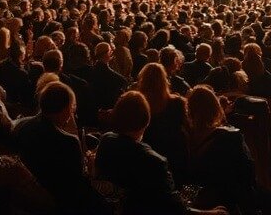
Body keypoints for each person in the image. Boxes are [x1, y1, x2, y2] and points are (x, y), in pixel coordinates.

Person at [95, 91, 226, 215]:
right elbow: (175, 209)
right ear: (146, 121)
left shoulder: (106, 140)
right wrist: (210, 213)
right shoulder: (154, 161)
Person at [11, 82, 108, 214]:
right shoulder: (68, 141)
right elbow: (78, 184)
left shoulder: (22, 126)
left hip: (27, 198)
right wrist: (90, 169)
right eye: (72, 108)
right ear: (65, 108)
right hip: (58, 201)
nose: (72, 114)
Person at [187, 85, 271, 215]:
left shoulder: (185, 137)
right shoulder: (230, 136)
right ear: (215, 108)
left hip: (201, 198)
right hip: (233, 198)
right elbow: (248, 171)